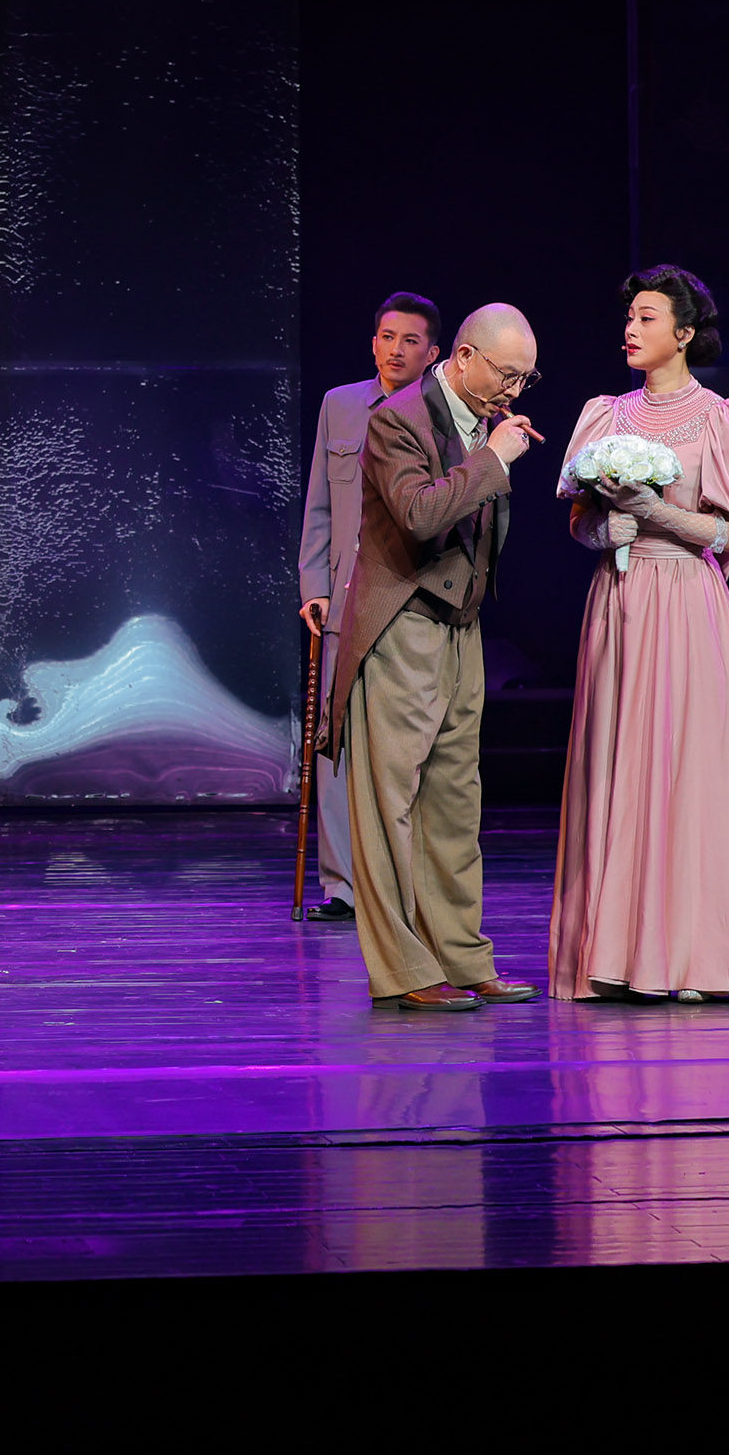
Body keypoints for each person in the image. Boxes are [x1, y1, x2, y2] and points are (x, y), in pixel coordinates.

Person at [552, 265, 729, 1002]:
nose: (631, 328)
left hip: (686, 600)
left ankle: (689, 958)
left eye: (646, 318)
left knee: (688, 769)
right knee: (616, 762)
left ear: (684, 333)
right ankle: (613, 955)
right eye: (629, 317)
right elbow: (579, 517)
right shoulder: (606, 414)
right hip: (620, 600)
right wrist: (600, 529)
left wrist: (656, 512)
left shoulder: (722, 418)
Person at [321, 300, 541, 1011]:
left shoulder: (480, 416)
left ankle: (463, 957)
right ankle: (405, 970)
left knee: (454, 802)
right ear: (465, 357)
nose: (514, 389)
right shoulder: (397, 419)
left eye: (525, 378)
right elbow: (418, 515)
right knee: (390, 807)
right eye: (507, 374)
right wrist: (492, 459)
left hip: (459, 626)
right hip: (403, 625)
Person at [295, 292, 439, 921]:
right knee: (335, 740)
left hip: (408, 597)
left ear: (433, 353)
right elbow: (319, 504)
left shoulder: (442, 414)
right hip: (345, 596)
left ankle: (401, 882)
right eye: (386, 336)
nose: (395, 350)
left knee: (407, 743)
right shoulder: (340, 404)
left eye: (410, 340)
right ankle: (342, 886)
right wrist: (313, 584)